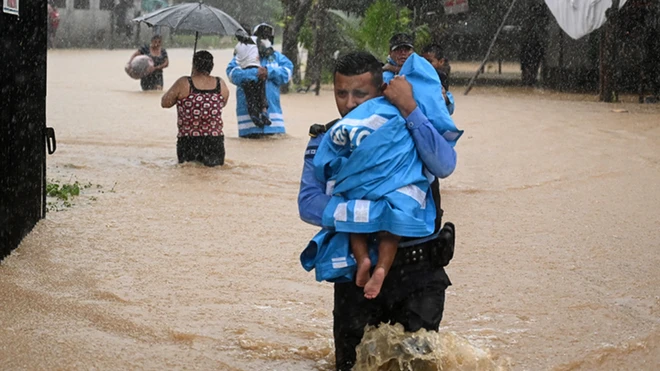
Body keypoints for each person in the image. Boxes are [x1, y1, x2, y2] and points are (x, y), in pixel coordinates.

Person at [298, 51, 458, 370]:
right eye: (341, 93)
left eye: (360, 93)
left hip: (418, 271)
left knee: (420, 362)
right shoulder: (328, 140)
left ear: (381, 91)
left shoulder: (410, 126)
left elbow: (444, 164)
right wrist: (375, 214)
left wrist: (411, 108)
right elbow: (308, 203)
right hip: (356, 277)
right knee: (352, 365)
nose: (350, 104)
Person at [160, 50, 230, 167]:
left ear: (194, 64)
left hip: (189, 141)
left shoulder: (184, 83)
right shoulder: (220, 84)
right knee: (215, 176)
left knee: (189, 176)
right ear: (211, 66)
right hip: (215, 141)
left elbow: (165, 102)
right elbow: (222, 103)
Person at [226, 23, 294, 138]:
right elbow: (232, 73)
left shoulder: (277, 57)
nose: (264, 40)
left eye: (267, 37)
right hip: (248, 123)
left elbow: (287, 73)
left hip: (274, 122)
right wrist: (255, 73)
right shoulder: (242, 56)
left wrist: (268, 72)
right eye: (262, 36)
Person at [385, 33, 455, 116]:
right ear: (390, 52)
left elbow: (448, 108)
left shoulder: (428, 74)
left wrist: (445, 99)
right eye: (398, 50)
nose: (403, 53)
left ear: (413, 52)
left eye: (407, 49)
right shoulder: (383, 77)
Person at [233, 28, 272, 128]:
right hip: (258, 71)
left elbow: (236, 59)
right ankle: (264, 112)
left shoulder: (237, 47)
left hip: (245, 73)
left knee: (250, 97)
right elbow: (265, 51)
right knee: (261, 93)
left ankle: (254, 115)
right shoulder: (255, 40)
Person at [421, 43, 454, 111]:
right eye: (423, 61)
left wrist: (446, 99)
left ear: (441, 61)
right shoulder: (419, 74)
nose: (425, 64)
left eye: (429, 61)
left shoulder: (441, 77)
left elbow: (449, 109)